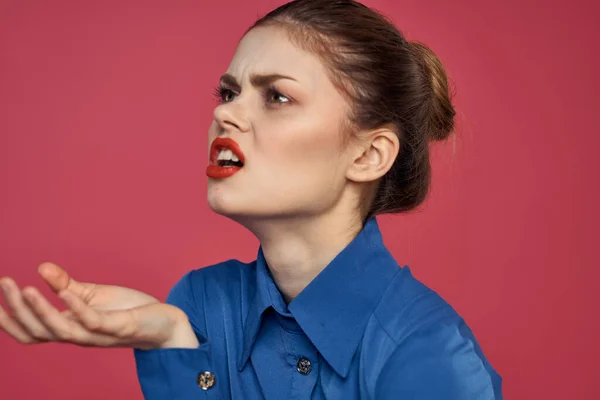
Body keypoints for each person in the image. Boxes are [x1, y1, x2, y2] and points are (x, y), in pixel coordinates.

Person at [0, 0, 503, 398]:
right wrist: (173, 341)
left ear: (370, 154)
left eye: (276, 96)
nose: (228, 115)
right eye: (228, 92)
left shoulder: (427, 355)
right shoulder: (199, 305)